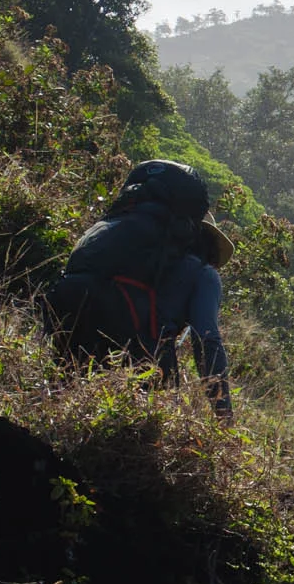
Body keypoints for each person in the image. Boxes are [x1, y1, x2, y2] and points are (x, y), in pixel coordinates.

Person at [46, 160, 235, 420]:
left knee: (61, 402)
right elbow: (207, 341)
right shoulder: (204, 273)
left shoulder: (127, 241)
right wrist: (223, 415)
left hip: (72, 320)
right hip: (134, 357)